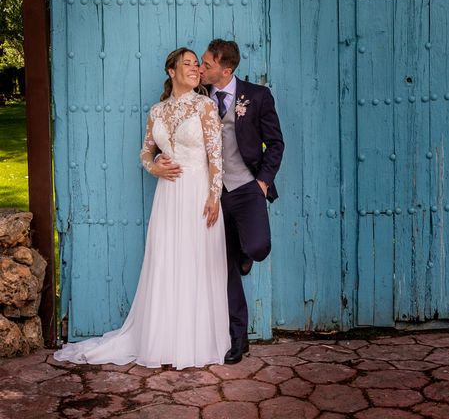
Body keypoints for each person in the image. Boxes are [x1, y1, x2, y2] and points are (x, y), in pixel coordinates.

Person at [54, 48, 231, 369]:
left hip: (198, 195)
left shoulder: (206, 106)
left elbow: (216, 155)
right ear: (171, 71)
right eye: (187, 64)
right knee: (166, 263)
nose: (194, 69)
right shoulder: (157, 111)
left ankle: (196, 342)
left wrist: (214, 195)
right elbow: (145, 153)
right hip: (168, 197)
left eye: (196, 65)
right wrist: (155, 168)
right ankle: (163, 340)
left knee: (197, 263)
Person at [156, 39, 284, 364]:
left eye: (207, 64)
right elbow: (174, 130)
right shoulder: (198, 98)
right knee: (224, 271)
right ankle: (238, 339)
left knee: (256, 247)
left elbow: (275, 144)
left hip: (246, 188)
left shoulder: (257, 96)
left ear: (225, 70)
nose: (200, 68)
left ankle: (245, 253)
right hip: (211, 195)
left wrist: (262, 182)